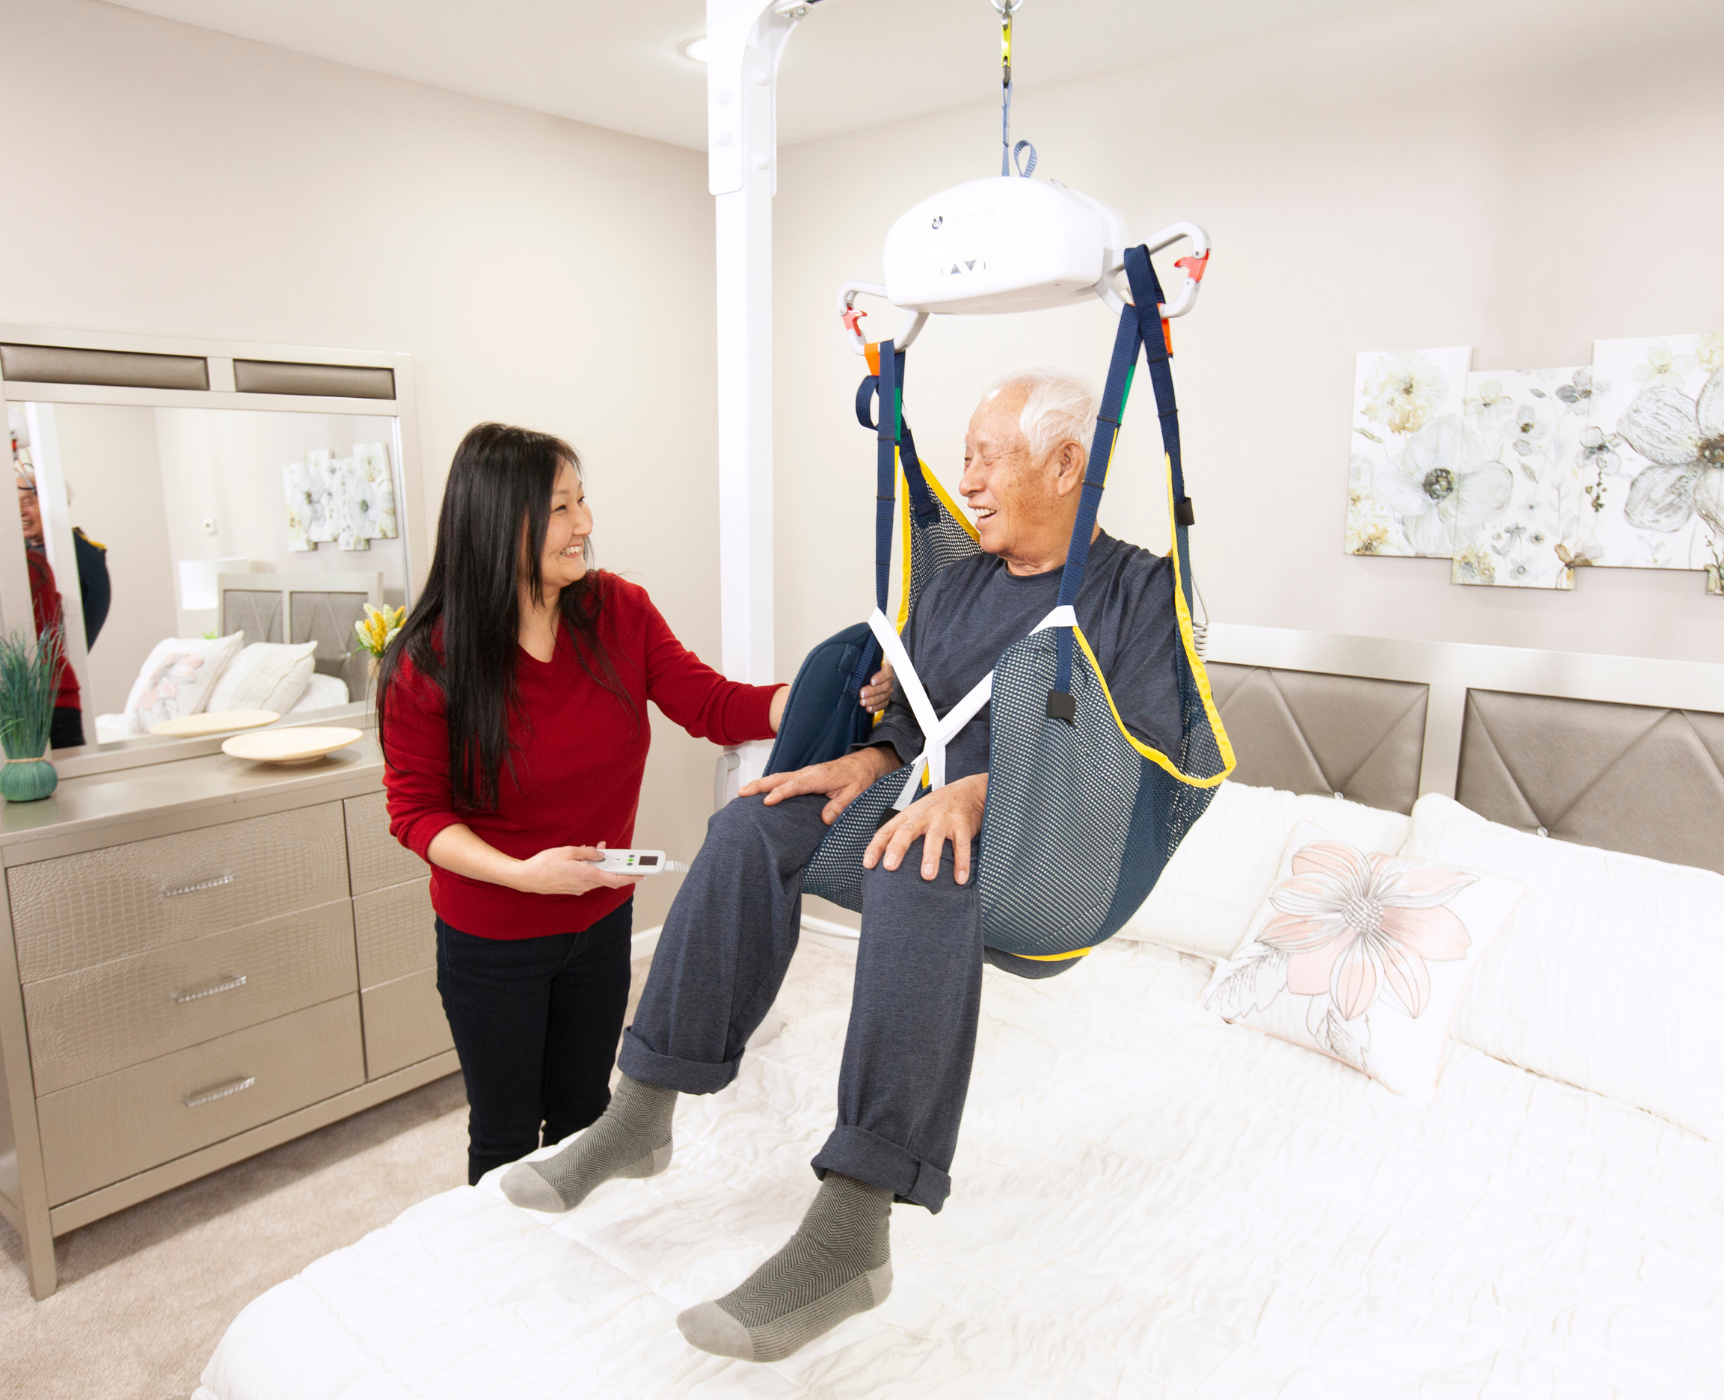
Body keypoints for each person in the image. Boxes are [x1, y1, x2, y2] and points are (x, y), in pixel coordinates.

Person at [507, 367, 1186, 1363]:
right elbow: (915, 713)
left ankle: (855, 1227)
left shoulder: (1139, 592)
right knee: (752, 821)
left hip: (1046, 853)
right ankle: (641, 1113)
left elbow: (1125, 764)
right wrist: (859, 761)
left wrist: (986, 790)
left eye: (987, 455)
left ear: (1067, 460)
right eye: (962, 456)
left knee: (923, 859)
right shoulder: (957, 582)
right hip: (918, 802)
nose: (969, 479)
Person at [379, 423, 892, 1186]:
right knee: (506, 1132)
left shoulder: (616, 610)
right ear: (499, 519)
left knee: (591, 1112)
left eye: (582, 501)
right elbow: (417, 814)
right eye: (561, 508)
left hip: (599, 920)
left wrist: (829, 696)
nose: (585, 523)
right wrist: (523, 875)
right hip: (492, 936)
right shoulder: (429, 662)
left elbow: (709, 702)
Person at [16, 464, 108, 750]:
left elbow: (83, 632)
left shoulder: (81, 555)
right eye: (14, 503)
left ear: (56, 503)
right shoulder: (25, 553)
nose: (20, 512)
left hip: (56, 694)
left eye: (28, 502)